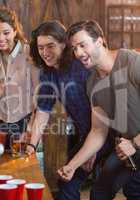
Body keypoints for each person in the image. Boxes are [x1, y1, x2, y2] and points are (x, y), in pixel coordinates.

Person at [27, 20, 113, 200]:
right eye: (40, 47)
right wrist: (31, 145)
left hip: (109, 135)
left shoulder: (83, 66)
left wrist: (91, 150)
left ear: (64, 43)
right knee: (67, 183)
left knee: (94, 191)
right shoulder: (47, 73)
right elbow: (42, 112)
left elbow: (105, 114)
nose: (45, 52)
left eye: (50, 46)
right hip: (86, 136)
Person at [58, 20, 140, 199]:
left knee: (134, 190)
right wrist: (72, 165)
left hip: (135, 144)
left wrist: (135, 143)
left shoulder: (132, 62)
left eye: (82, 45)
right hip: (128, 148)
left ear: (99, 41)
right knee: (99, 194)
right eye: (74, 48)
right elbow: (98, 131)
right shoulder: (92, 83)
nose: (78, 53)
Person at [0, 8, 39, 149]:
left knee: (20, 166)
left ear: (15, 31)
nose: (1, 38)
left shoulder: (28, 53)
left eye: (6, 33)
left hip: (24, 122)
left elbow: (39, 95)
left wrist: (31, 127)